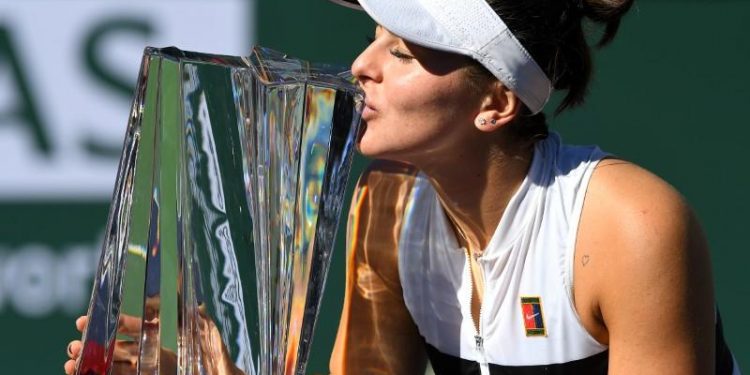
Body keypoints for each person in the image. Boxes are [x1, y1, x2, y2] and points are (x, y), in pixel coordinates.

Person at [66, 0, 740, 374]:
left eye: (404, 53)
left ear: (496, 103)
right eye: (374, 37)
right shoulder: (383, 211)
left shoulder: (630, 225)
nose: (361, 66)